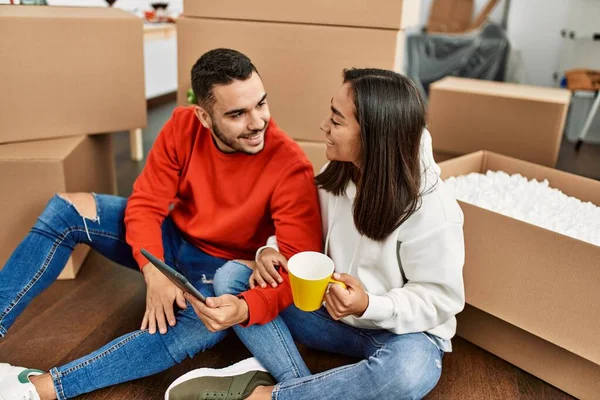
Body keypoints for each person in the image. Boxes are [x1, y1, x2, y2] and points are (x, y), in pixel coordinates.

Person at [0, 48, 322, 400]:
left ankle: (44, 389)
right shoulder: (183, 125)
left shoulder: (290, 165)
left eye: (261, 104)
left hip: (224, 272)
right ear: (203, 115)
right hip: (173, 239)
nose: (258, 122)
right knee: (67, 208)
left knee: (203, 325)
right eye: (237, 114)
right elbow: (146, 204)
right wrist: (156, 271)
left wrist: (240, 299)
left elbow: (295, 269)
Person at [168, 68, 466, 400]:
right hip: (327, 316)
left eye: (336, 121)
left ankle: (268, 395)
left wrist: (370, 304)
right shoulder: (337, 173)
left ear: (374, 136)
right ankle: (302, 386)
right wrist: (269, 250)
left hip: (399, 332)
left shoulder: (433, 209)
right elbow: (301, 230)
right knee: (234, 278)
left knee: (409, 372)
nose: (324, 125)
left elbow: (441, 299)